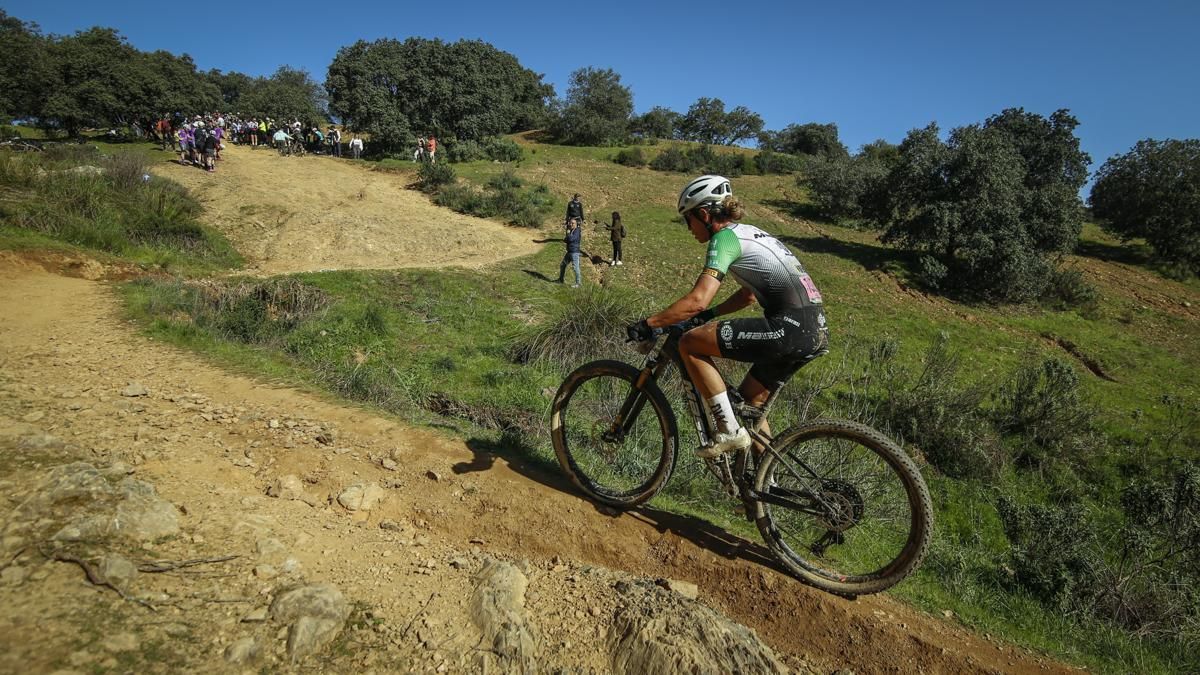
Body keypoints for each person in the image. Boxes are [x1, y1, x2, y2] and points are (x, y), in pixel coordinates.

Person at [626, 175, 829, 459]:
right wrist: (709, 315)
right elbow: (747, 296)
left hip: (789, 327)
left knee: (688, 344)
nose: (688, 228)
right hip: (814, 329)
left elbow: (697, 300)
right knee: (751, 402)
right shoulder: (751, 233)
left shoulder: (724, 239)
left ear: (704, 214)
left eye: (688, 219)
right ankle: (764, 481)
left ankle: (728, 430)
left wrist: (648, 324)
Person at [557, 217, 583, 288]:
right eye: (570, 223)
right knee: (563, 265)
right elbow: (566, 240)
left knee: (576, 267)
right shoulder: (572, 230)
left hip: (574, 252)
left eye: (573, 223)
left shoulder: (577, 231)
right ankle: (561, 280)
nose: (571, 224)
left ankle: (578, 283)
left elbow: (571, 239)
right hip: (569, 252)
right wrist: (567, 237)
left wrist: (568, 234)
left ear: (576, 224)